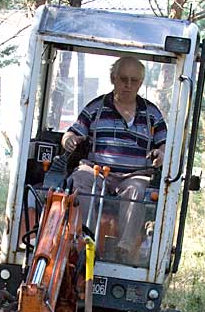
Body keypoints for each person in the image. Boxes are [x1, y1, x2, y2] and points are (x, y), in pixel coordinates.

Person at [61, 57, 167, 263]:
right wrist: (69, 140)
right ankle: (83, 242)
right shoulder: (95, 108)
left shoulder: (152, 113)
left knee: (137, 189)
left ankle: (124, 249)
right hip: (97, 171)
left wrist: (161, 154)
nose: (128, 85)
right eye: (123, 79)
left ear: (141, 83)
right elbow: (70, 133)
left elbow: (164, 144)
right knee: (80, 179)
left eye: (134, 80)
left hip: (133, 175)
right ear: (113, 78)